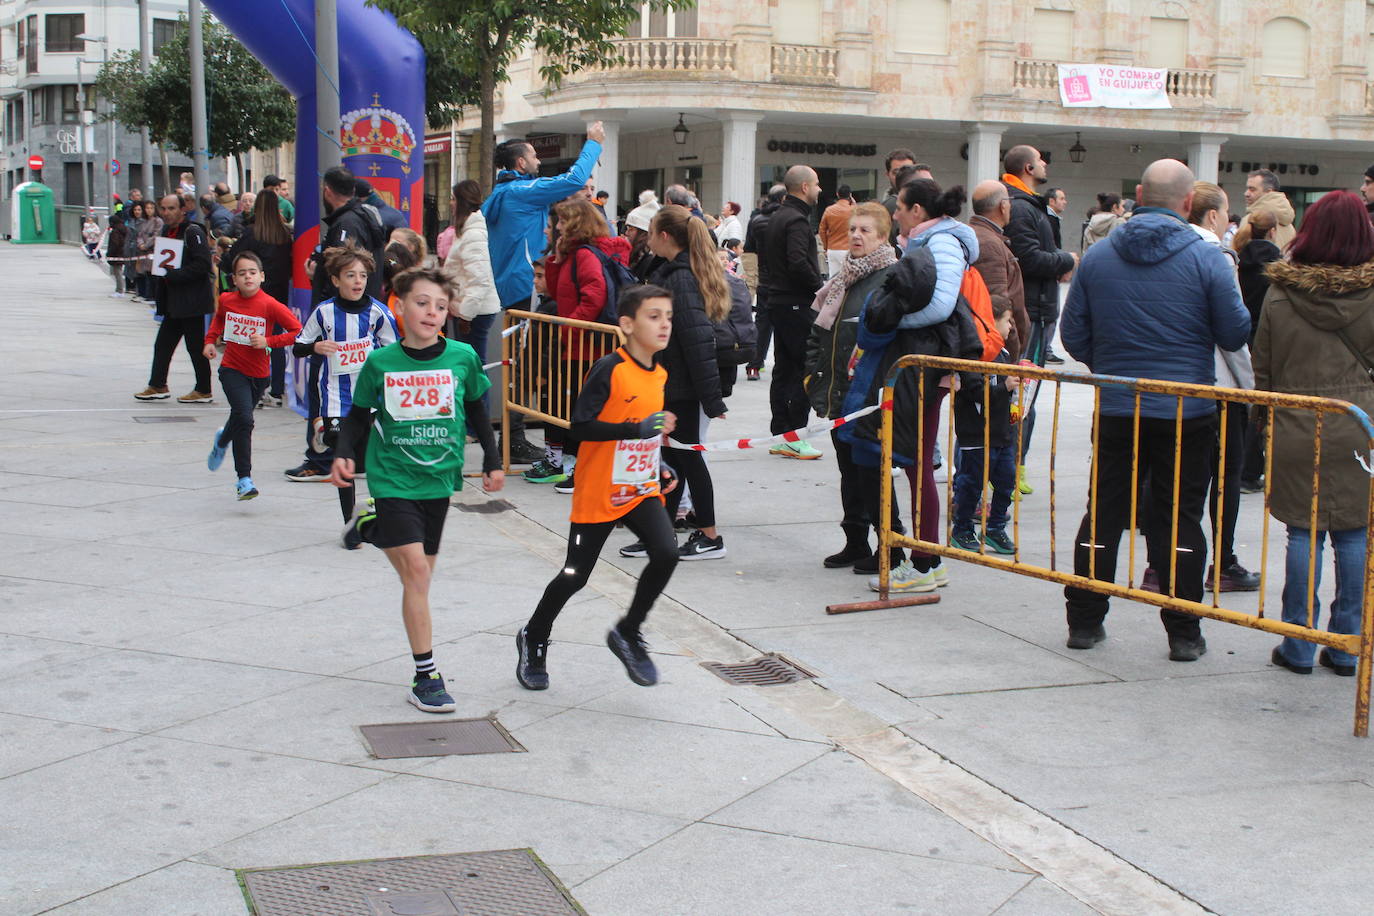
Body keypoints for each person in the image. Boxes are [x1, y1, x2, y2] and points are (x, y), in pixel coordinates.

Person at [1058, 159, 1251, 662]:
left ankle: (1084, 619)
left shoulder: (1098, 257)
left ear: (1140, 193)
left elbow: (1073, 335)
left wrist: (1115, 364)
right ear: (1190, 203)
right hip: (1187, 409)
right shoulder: (1209, 258)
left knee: (1104, 510)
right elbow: (1234, 333)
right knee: (1180, 518)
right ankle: (1184, 631)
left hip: (1121, 404)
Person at [332, 265, 504, 712]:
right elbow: (358, 415)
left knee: (418, 580)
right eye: (422, 303)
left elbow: (478, 409)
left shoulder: (463, 357)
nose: (432, 312)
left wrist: (492, 457)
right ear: (400, 305)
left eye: (441, 306)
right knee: (419, 574)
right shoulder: (380, 362)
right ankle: (426, 676)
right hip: (391, 475)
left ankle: (372, 529)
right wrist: (344, 452)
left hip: (438, 479)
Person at [517, 285, 681, 689]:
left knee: (666, 552)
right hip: (599, 490)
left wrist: (659, 462)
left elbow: (643, 431)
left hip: (639, 487)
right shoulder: (610, 368)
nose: (664, 324)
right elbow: (580, 425)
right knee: (575, 574)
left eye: (668, 317)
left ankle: (628, 631)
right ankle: (534, 636)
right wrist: (634, 428)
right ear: (627, 324)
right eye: (654, 316)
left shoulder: (659, 373)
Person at [1254, 190, 1374, 678]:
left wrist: (1263, 421)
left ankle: (1298, 644)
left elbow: (1263, 364)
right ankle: (1346, 645)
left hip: (1296, 421)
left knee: (1302, 532)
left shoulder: (1281, 293)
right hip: (1360, 424)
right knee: (1354, 532)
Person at [881, 178, 978, 591]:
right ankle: (928, 560)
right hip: (922, 364)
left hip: (928, 365)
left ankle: (925, 562)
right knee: (913, 460)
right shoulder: (928, 239)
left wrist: (890, 322)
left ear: (917, 210)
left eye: (900, 207)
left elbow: (940, 305)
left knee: (917, 462)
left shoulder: (942, 242)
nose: (896, 214)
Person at [620, 204, 729, 560]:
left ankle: (710, 535)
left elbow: (697, 341)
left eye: (650, 232)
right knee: (667, 460)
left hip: (681, 387)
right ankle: (661, 534)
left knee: (687, 460)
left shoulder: (680, 279)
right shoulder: (669, 272)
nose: (647, 239)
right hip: (669, 384)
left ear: (664, 237)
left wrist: (711, 400)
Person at [804, 201, 902, 571]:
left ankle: (891, 546)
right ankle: (856, 542)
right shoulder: (844, 277)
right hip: (838, 396)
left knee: (872, 472)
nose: (856, 236)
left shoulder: (891, 278)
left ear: (882, 237)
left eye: (865, 230)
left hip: (869, 397)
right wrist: (812, 377)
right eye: (853, 230)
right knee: (849, 472)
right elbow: (819, 332)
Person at [1186, 181, 1261, 593]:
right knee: (1224, 479)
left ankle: (1167, 563)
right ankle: (1223, 560)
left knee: (1182, 479)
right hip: (1219, 385)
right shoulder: (1218, 255)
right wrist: (1250, 388)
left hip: (1177, 383)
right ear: (1212, 215)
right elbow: (1233, 333)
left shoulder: (1175, 250)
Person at [528, 199, 633, 488]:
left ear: (574, 224)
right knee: (576, 408)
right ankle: (580, 468)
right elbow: (554, 284)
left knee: (585, 411)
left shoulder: (586, 255)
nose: (556, 227)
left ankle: (584, 470)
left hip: (586, 346)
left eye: (561, 223)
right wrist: (557, 254)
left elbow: (594, 296)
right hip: (579, 344)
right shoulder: (575, 254)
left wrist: (569, 328)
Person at [290, 245, 399, 502]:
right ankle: (350, 524)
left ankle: (375, 508)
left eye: (362, 275)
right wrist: (315, 346)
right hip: (335, 399)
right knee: (344, 460)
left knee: (365, 463)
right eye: (350, 275)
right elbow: (297, 347)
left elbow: (395, 353)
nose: (358, 280)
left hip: (370, 400)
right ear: (336, 280)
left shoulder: (379, 313)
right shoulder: (324, 312)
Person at [1002, 145, 1077, 494]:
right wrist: (1066, 259)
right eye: (1041, 160)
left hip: (1039, 311)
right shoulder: (1021, 207)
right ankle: (1010, 468)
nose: (1046, 163)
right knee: (1020, 396)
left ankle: (1015, 465)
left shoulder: (1029, 204)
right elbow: (1030, 259)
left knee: (1026, 398)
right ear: (1029, 166)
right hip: (1030, 313)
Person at [202, 251, 303, 499]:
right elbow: (218, 320)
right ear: (233, 279)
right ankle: (244, 480)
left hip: (259, 375)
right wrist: (210, 341)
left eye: (252, 272)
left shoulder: (269, 304)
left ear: (261, 276)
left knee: (239, 417)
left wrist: (268, 341)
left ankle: (222, 439)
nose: (247, 277)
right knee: (245, 420)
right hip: (232, 369)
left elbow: (297, 331)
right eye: (242, 273)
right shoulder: (227, 300)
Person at [760, 165, 824, 459]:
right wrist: (820, 287)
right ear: (804, 188)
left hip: (780, 301)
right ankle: (794, 435)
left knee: (784, 369)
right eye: (817, 185)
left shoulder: (777, 217)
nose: (820, 190)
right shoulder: (796, 220)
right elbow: (798, 262)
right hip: (796, 302)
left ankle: (782, 433)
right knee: (802, 368)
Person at [949, 300, 1019, 556]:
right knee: (971, 485)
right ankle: (962, 529)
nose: (1011, 327)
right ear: (992, 321)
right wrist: (1005, 388)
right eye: (1007, 321)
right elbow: (976, 393)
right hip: (977, 434)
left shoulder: (1004, 354)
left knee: (1006, 482)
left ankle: (995, 527)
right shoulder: (973, 355)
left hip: (1002, 434)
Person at [133, 194, 216, 404]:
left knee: (195, 347)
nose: (167, 213)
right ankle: (158, 384)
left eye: (171, 208)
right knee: (163, 344)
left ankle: (204, 389)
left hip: (191, 301)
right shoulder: (166, 231)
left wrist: (174, 275)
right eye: (164, 208)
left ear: (182, 209)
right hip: (174, 302)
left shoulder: (192, 231)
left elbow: (203, 265)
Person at [442, 180, 505, 437]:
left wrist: (464, 313)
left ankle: (475, 427)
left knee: (473, 370)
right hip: (467, 310)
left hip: (473, 312)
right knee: (470, 368)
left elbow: (479, 279)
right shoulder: (468, 231)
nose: (451, 203)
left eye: (454, 198)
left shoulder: (473, 233)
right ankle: (473, 425)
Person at [226, 188, 294, 408]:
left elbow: (232, 258)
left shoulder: (251, 233)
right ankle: (276, 390)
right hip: (279, 293)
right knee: (274, 341)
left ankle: (256, 387)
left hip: (254, 295)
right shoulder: (285, 234)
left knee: (251, 340)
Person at [1236, 209, 1283, 492]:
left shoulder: (1239, 260)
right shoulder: (1279, 267)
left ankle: (1246, 468)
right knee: (1264, 406)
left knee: (1248, 406)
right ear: (1274, 231)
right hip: (1267, 339)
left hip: (1245, 338)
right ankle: (1253, 469)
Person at [969, 181, 1029, 363]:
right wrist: (1012, 356)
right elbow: (999, 309)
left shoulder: (980, 236)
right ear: (1003, 206)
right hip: (995, 353)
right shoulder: (989, 244)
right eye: (1009, 201)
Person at [311, 167, 387, 305]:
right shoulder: (362, 217)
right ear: (353, 191)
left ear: (327, 191)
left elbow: (343, 269)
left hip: (343, 314)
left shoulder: (347, 224)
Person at [743, 184, 785, 381]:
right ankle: (782, 365)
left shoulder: (756, 220)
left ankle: (754, 365)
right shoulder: (789, 220)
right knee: (786, 325)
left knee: (763, 323)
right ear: (784, 199)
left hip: (765, 279)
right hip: (785, 280)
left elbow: (749, 248)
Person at [1236, 169, 1295, 249]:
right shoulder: (1290, 227)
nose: (1246, 193)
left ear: (1269, 192)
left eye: (1252, 189)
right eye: (1247, 189)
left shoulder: (1250, 221)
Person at [819, 185, 855, 279]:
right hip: (848, 249)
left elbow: (822, 230)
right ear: (850, 195)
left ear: (837, 194)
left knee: (833, 279)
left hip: (832, 249)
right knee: (848, 279)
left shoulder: (829, 210)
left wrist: (826, 247)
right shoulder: (853, 210)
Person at [134, 199, 163, 301]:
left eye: (151, 208)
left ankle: (153, 295)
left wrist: (146, 245)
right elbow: (140, 235)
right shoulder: (144, 221)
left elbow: (156, 235)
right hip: (144, 251)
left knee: (153, 273)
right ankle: (147, 294)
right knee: (145, 273)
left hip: (152, 250)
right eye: (147, 208)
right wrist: (141, 244)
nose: (149, 210)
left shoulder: (158, 221)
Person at [105, 212, 130, 298]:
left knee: (117, 272)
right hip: (123, 253)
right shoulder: (124, 229)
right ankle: (120, 289)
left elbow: (114, 244)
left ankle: (119, 290)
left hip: (116, 254)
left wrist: (109, 254)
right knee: (119, 271)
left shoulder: (115, 232)